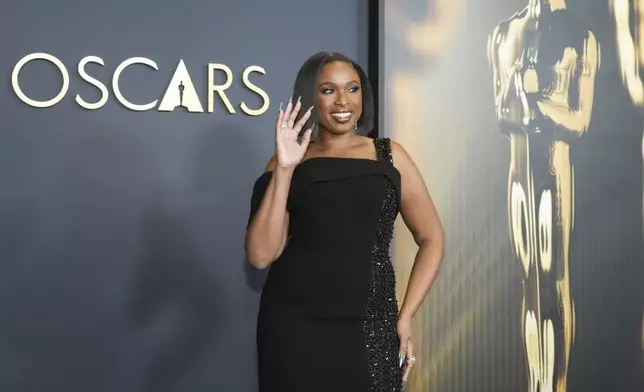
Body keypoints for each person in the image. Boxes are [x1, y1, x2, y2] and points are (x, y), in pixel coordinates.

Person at [244, 51, 444, 392]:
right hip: (294, 328)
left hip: (372, 326)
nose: (343, 101)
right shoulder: (285, 162)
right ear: (310, 96)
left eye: (352, 89)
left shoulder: (389, 155)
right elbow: (261, 254)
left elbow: (432, 238)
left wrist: (406, 315)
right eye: (328, 90)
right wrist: (286, 169)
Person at [488, 1, 599, 391]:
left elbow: (580, 120)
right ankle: (537, 382)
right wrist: (524, 103)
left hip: (554, 172)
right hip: (519, 175)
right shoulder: (504, 32)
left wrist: (534, 105)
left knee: (554, 284)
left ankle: (556, 385)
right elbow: (501, 111)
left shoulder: (580, 35)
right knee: (529, 284)